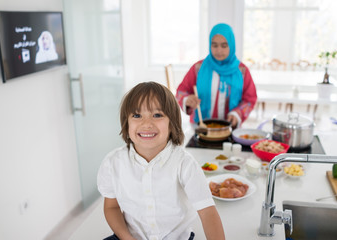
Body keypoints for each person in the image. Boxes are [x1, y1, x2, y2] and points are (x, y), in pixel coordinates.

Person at [97, 82, 225, 240]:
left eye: (157, 115)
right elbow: (112, 207)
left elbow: (208, 213)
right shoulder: (113, 163)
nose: (147, 124)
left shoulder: (185, 164)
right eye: (137, 115)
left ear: (172, 123)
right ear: (126, 122)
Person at [176, 23, 257, 128]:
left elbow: (250, 99)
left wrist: (237, 113)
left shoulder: (242, 71)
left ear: (231, 45)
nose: (219, 50)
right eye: (214, 45)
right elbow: (181, 91)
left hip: (229, 129)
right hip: (200, 128)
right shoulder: (198, 68)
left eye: (224, 46)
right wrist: (187, 100)